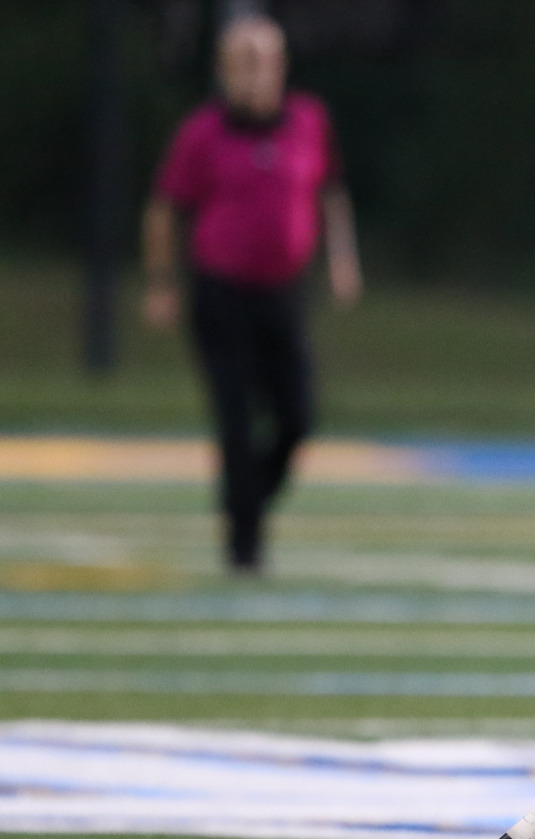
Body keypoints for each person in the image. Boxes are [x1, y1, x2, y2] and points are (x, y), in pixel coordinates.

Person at [142, 14, 361, 575]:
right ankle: (245, 547)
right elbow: (166, 209)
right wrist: (162, 282)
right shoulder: (202, 132)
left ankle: (245, 502)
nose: (255, 72)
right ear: (223, 71)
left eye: (264, 60)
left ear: (282, 66)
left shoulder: (309, 121)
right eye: (243, 61)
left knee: (297, 418)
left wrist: (342, 259)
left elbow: (331, 191)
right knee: (236, 420)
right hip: (222, 296)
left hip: (284, 294)